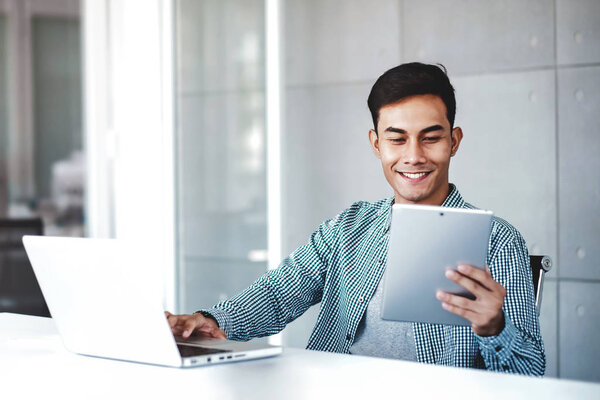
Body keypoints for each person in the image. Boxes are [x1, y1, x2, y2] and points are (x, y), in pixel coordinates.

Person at [166, 62, 545, 375]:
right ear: (376, 144)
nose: (413, 156)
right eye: (397, 139)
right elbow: (278, 293)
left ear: (454, 141)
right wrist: (211, 320)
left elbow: (530, 375)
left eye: (430, 138)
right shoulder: (348, 226)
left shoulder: (497, 242)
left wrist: (494, 329)